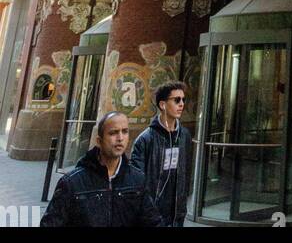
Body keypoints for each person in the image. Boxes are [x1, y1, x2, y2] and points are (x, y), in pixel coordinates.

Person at [41, 112, 162, 228]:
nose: (120, 138)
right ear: (99, 141)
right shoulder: (72, 183)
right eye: (113, 133)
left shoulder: (137, 179)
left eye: (124, 132)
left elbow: (152, 221)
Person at [131, 82, 193, 228]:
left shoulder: (184, 136)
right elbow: (136, 180)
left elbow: (187, 172)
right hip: (152, 212)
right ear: (163, 105)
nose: (182, 104)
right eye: (177, 100)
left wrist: (182, 204)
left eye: (184, 100)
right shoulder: (146, 139)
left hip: (177, 211)